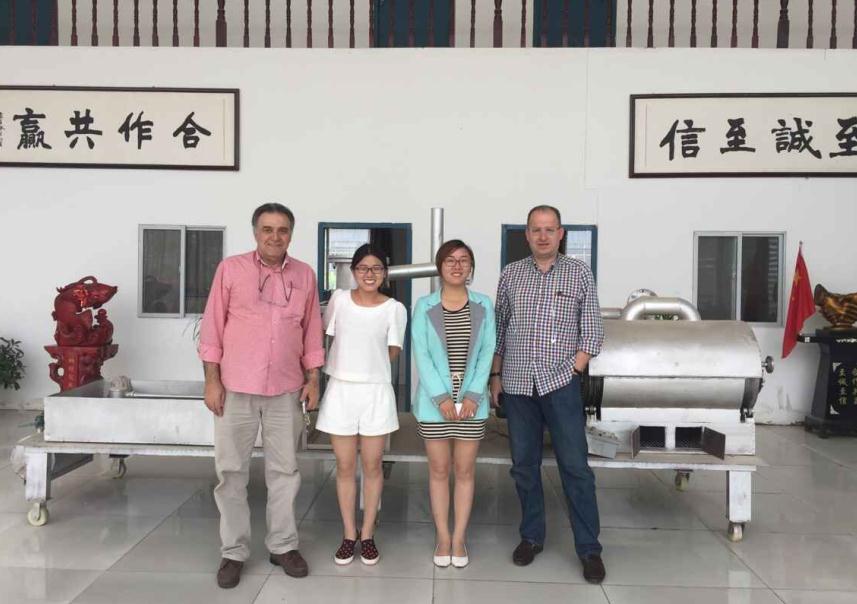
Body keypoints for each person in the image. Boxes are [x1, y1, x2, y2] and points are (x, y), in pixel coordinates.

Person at [199, 203, 324, 588]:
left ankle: (283, 545)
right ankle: (233, 551)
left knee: (285, 472)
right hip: (235, 387)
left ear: (291, 234)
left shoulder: (304, 274)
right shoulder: (231, 270)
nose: (275, 236)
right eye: (267, 229)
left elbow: (312, 330)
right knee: (231, 472)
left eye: (282, 230)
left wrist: (313, 379)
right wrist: (212, 380)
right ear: (256, 233)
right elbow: (212, 327)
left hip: (286, 388)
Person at [489, 205, 606, 583]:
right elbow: (500, 329)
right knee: (524, 467)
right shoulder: (511, 274)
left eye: (549, 229)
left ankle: (589, 549)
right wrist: (495, 375)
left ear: (560, 234)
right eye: (536, 229)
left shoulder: (579, 273)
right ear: (526, 235)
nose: (542, 236)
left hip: (561, 385)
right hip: (518, 385)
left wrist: (575, 369)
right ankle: (531, 537)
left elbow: (592, 331)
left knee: (575, 468)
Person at [315, 244, 407, 566]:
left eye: (376, 268)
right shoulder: (339, 300)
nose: (370, 274)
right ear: (353, 272)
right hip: (340, 390)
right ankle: (348, 534)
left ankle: (367, 534)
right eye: (363, 268)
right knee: (344, 466)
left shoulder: (394, 308)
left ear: (385, 274)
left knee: (372, 465)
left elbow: (392, 351)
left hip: (375, 393)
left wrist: (369, 366)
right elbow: (327, 336)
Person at [411, 240, 496, 569]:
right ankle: (443, 536)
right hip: (434, 405)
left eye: (463, 260)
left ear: (471, 267)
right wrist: (442, 398)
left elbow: (487, 352)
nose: (457, 266)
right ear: (439, 267)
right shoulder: (424, 306)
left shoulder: (484, 304)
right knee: (438, 470)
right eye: (450, 260)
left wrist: (473, 395)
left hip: (472, 404)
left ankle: (459, 537)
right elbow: (422, 355)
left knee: (464, 471)